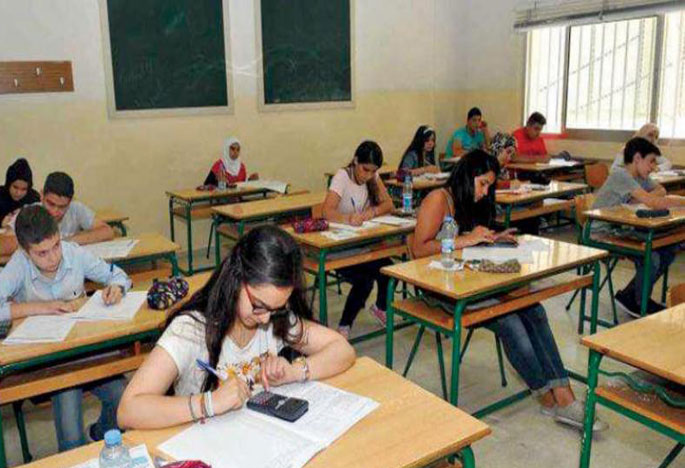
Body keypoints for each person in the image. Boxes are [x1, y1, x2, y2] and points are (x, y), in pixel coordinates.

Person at [410, 150, 607, 431]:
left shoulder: (469, 200)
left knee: (534, 309)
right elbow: (419, 249)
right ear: (467, 176)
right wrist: (467, 240)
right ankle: (547, 395)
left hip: (470, 282)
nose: (485, 192)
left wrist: (491, 237)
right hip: (440, 290)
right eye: (482, 184)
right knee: (510, 322)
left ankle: (563, 394)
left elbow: (468, 239)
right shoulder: (438, 199)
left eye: (489, 186)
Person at [117, 225, 355, 430]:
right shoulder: (191, 330)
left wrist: (294, 371)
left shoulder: (274, 318)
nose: (266, 319)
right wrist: (209, 403)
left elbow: (342, 349)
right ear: (237, 280)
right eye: (259, 305)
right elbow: (128, 410)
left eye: (277, 309)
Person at [0, 205, 132, 450]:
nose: (53, 257)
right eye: (42, 253)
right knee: (72, 436)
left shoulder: (73, 253)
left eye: (56, 246)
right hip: (49, 362)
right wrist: (41, 307)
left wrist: (117, 288)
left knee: (124, 398)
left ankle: (99, 433)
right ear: (26, 251)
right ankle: (75, 460)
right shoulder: (18, 264)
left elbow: (119, 275)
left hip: (83, 352)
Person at [592, 137, 684, 317]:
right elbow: (655, 202)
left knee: (668, 248)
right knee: (652, 255)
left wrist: (641, 199)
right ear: (637, 158)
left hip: (622, 228)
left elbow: (661, 191)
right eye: (651, 161)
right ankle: (639, 301)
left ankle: (631, 295)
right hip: (601, 232)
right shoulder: (620, 175)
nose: (653, 167)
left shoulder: (641, 178)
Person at [321, 141, 395, 338]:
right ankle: (344, 326)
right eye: (365, 170)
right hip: (338, 246)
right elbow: (326, 211)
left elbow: (389, 204)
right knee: (364, 280)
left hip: (361, 243)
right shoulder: (342, 177)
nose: (368, 175)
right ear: (355, 161)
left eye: (373, 171)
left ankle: (380, 307)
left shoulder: (372, 177)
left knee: (389, 269)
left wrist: (372, 212)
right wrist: (348, 219)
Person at [0, 171, 114, 257]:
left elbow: (107, 231)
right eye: (50, 204)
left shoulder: (76, 208)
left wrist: (68, 241)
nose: (55, 211)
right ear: (41, 195)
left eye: (62, 207)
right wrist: (41, 242)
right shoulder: (29, 212)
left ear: (70, 202)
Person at [0, 158, 41, 229]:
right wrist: (0, 223)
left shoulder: (33, 198)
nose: (18, 193)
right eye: (15, 187)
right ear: (8, 184)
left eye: (24, 189)